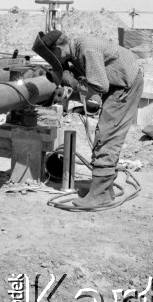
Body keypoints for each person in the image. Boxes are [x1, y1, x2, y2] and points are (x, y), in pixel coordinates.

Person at [32, 30, 144, 209]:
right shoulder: (74, 52)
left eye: (54, 57)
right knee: (104, 134)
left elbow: (100, 85)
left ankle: (99, 195)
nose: (55, 62)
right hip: (118, 84)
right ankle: (105, 190)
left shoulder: (86, 49)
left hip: (125, 87)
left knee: (107, 135)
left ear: (60, 49)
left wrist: (73, 83)